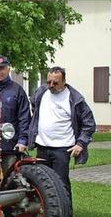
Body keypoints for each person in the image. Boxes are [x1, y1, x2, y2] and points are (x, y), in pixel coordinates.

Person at [28, 66, 96, 202]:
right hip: (42, 147)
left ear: (64, 81)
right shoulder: (41, 93)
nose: (51, 86)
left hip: (62, 148)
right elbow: (34, 108)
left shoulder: (75, 98)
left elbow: (89, 124)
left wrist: (80, 144)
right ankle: (46, 213)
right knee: (42, 183)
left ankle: (65, 215)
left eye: (55, 83)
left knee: (61, 184)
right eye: (48, 82)